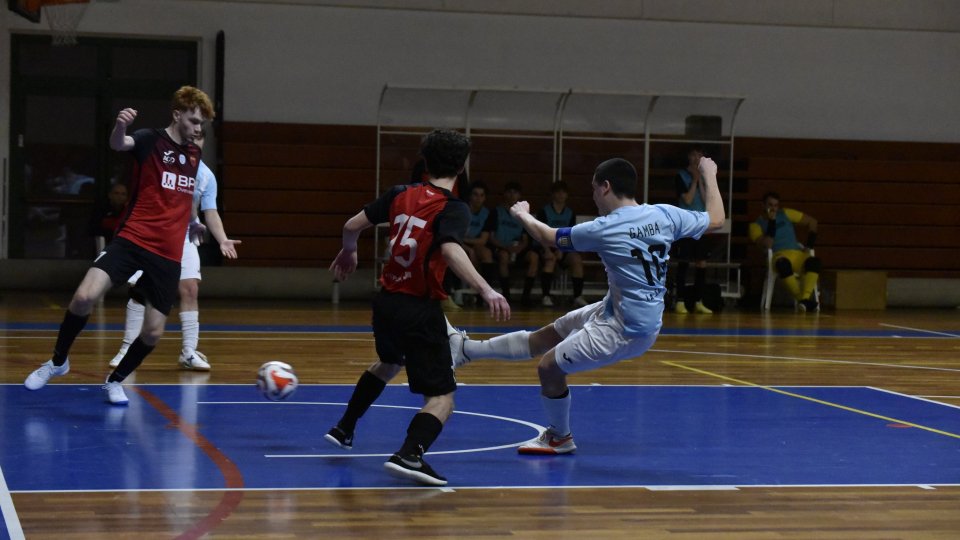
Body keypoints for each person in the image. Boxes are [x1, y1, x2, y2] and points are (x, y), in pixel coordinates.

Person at [449, 156, 725, 454]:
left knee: (549, 368)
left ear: (606, 187)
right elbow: (716, 218)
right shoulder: (664, 215)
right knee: (547, 336)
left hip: (626, 329)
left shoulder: (604, 228)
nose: (593, 196)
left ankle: (560, 437)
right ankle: (466, 350)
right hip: (617, 309)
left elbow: (548, 237)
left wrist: (522, 214)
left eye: (594, 189)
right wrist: (709, 173)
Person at [325, 129, 510, 486]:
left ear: (424, 162)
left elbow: (351, 225)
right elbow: (451, 249)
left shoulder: (400, 194)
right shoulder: (452, 207)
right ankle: (410, 454)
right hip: (418, 308)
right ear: (462, 167)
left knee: (389, 362)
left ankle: (344, 427)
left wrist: (350, 250)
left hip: (386, 302)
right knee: (442, 397)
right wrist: (486, 289)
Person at [23, 86, 215, 405]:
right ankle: (57, 361)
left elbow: (184, 194)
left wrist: (193, 220)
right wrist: (120, 126)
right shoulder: (148, 139)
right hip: (132, 239)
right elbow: (119, 144)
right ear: (177, 114)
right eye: (194, 121)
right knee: (84, 296)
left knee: (153, 333)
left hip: (167, 255)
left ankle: (115, 380)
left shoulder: (194, 154)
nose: (198, 129)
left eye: (202, 125)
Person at [109, 129, 241, 371]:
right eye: (191, 134)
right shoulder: (163, 161)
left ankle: (189, 352)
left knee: (190, 289)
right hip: (151, 234)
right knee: (140, 290)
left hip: (184, 236)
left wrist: (221, 239)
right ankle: (127, 346)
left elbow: (209, 211)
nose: (194, 139)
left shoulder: (207, 176)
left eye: (200, 136)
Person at [748, 191, 821, 311]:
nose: (773, 208)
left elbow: (813, 222)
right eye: (770, 205)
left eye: (776, 205)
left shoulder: (785, 213)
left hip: (796, 253)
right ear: (763, 206)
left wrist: (809, 246)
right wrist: (772, 222)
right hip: (778, 255)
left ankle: (805, 299)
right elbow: (768, 244)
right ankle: (802, 299)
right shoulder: (756, 225)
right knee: (783, 265)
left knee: (814, 262)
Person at [672, 147, 715, 314]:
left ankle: (698, 300)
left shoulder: (706, 177)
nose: (697, 158)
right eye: (694, 154)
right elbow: (688, 199)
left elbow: (706, 202)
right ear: (689, 157)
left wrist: (702, 181)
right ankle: (681, 301)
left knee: (701, 262)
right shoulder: (681, 176)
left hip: (701, 225)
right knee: (684, 261)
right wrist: (695, 181)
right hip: (685, 225)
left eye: (700, 155)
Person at [535, 181, 587, 308]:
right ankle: (546, 296)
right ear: (553, 194)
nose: (561, 195)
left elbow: (570, 234)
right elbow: (539, 234)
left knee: (576, 260)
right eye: (558, 192)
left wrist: (562, 250)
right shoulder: (544, 211)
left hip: (562, 247)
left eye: (563, 192)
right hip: (546, 247)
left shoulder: (569, 213)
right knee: (550, 261)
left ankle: (577, 296)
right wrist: (547, 251)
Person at [489, 181, 539, 304]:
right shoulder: (496, 212)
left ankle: (525, 297)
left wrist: (519, 248)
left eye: (515, 193)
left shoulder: (523, 214)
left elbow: (526, 240)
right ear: (505, 194)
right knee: (504, 256)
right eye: (509, 192)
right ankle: (507, 296)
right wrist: (505, 247)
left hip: (517, 249)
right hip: (501, 248)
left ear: (519, 196)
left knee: (534, 257)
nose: (512, 195)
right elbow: (491, 237)